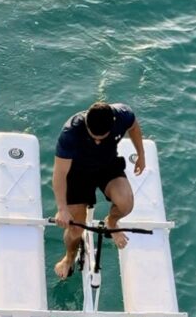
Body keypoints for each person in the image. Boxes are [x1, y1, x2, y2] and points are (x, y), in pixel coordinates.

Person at [52, 101, 146, 278]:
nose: (96, 141)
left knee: (126, 204)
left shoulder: (123, 114)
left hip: (107, 166)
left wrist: (141, 154)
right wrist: (62, 209)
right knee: (75, 229)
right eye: (93, 136)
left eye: (101, 138)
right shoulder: (70, 133)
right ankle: (69, 257)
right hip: (78, 173)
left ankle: (111, 222)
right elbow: (59, 175)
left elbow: (133, 126)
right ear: (86, 123)